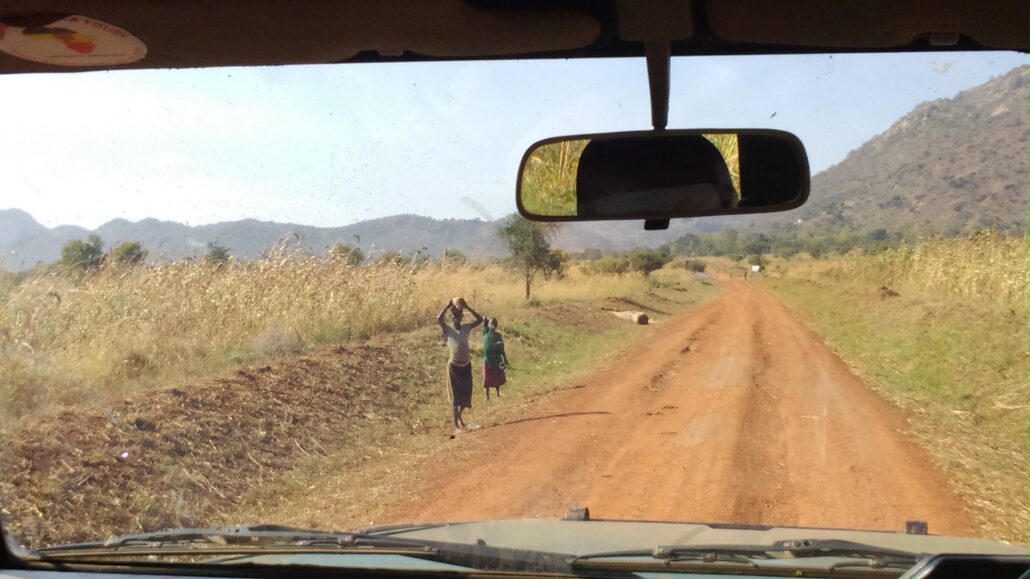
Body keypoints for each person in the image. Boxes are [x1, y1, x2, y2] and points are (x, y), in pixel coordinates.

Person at [437, 297, 483, 436]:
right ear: (452, 317)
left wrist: (467, 307)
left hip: (466, 365)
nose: (458, 318)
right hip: (454, 367)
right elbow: (439, 318)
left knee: (466, 395)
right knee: (456, 397)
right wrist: (447, 305)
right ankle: (456, 424)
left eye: (460, 315)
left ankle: (460, 419)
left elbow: (480, 319)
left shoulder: (466, 327)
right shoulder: (448, 329)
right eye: (455, 315)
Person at [481, 317, 508, 400]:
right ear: (488, 324)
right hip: (487, 360)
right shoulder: (485, 332)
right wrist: (485, 320)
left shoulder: (498, 335)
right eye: (491, 323)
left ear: (496, 325)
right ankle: (487, 396)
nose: (493, 324)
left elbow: (501, 349)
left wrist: (505, 359)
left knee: (497, 378)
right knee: (487, 379)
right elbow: (483, 321)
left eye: (494, 323)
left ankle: (498, 393)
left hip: (496, 359)